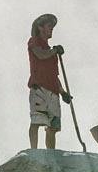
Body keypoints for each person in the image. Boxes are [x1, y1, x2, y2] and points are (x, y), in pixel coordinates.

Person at [26, 13, 70, 150]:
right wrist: (54, 51)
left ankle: (51, 154)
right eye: (49, 26)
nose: (52, 29)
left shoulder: (51, 52)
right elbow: (40, 55)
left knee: (53, 126)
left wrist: (63, 92)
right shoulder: (34, 41)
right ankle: (34, 151)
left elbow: (54, 75)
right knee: (37, 121)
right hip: (39, 88)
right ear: (40, 27)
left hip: (53, 92)